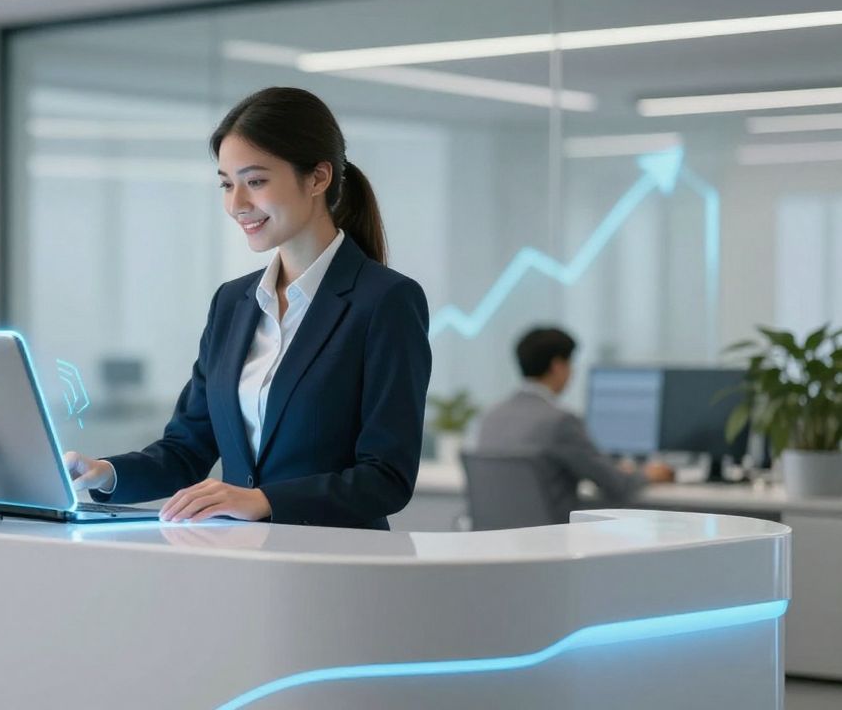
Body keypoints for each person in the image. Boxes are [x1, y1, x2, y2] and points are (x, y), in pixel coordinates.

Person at [65, 87, 432, 529]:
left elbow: (386, 478)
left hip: (333, 558)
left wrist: (263, 500)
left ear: (318, 178)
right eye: (226, 184)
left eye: (255, 182)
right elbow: (186, 449)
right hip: (241, 556)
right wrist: (105, 473)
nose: (236, 204)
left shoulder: (385, 301)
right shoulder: (232, 303)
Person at [474, 327, 674, 519]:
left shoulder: (490, 417)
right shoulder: (560, 421)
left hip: (498, 537)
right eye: (570, 364)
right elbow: (616, 485)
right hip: (551, 537)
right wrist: (648, 474)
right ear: (557, 366)